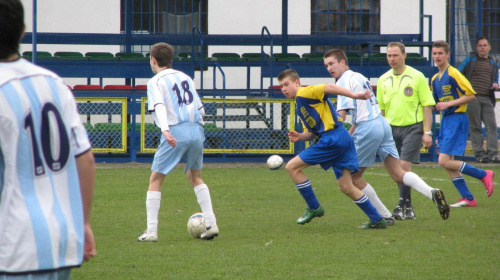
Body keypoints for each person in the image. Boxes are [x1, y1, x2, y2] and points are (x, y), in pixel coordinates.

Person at [0, 0, 97, 278]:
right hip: (60, 239)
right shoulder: (52, 82)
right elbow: (86, 158)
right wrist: (84, 223)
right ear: (22, 31)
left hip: (13, 246)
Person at [324, 49, 449, 221]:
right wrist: (351, 131)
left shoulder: (343, 81)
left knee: (351, 179)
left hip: (369, 127)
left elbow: (341, 115)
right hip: (383, 124)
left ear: (343, 62)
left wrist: (326, 130)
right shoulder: (359, 76)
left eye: (332, 63)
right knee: (398, 173)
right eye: (326, 65)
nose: (329, 68)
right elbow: (362, 108)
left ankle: (383, 216)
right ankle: (432, 192)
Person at [277, 69, 387, 229]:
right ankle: (377, 219)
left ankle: (314, 207)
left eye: (286, 84)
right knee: (346, 186)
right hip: (341, 137)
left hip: (333, 138)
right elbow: (312, 133)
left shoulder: (304, 93)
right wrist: (300, 136)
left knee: (292, 167)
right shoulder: (300, 103)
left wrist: (355, 96)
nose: (284, 89)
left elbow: (328, 87)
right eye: (281, 86)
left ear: (297, 82)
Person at [137, 42, 218, 241]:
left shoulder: (155, 81)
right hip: (196, 130)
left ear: (153, 60)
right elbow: (201, 109)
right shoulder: (186, 77)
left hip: (175, 131)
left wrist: (165, 130)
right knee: (195, 177)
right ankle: (212, 224)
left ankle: (152, 231)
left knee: (156, 179)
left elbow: (159, 106)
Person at [430, 40, 495, 207]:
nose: (437, 56)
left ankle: (483, 174)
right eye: (435, 53)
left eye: (440, 53)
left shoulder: (454, 73)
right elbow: (436, 102)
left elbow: (471, 95)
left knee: (443, 161)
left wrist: (448, 104)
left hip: (457, 119)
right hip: (446, 120)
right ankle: (468, 198)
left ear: (447, 55)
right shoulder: (434, 79)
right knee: (447, 162)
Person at [376, 42, 436, 220]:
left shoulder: (417, 77)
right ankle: (408, 207)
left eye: (395, 55)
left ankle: (400, 205)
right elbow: (382, 110)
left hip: (413, 127)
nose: (392, 59)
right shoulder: (382, 79)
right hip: (390, 129)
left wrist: (427, 132)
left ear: (404, 55)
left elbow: (427, 105)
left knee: (404, 166)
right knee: (397, 171)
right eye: (389, 56)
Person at [457, 37, 500, 163]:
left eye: (485, 45)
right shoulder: (470, 60)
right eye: (480, 45)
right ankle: (480, 154)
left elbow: (495, 78)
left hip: (487, 97)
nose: (482, 47)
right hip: (473, 98)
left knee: (491, 126)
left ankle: (493, 154)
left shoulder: (493, 62)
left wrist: (495, 83)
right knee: (475, 127)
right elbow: (458, 74)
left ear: (489, 47)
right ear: (476, 48)